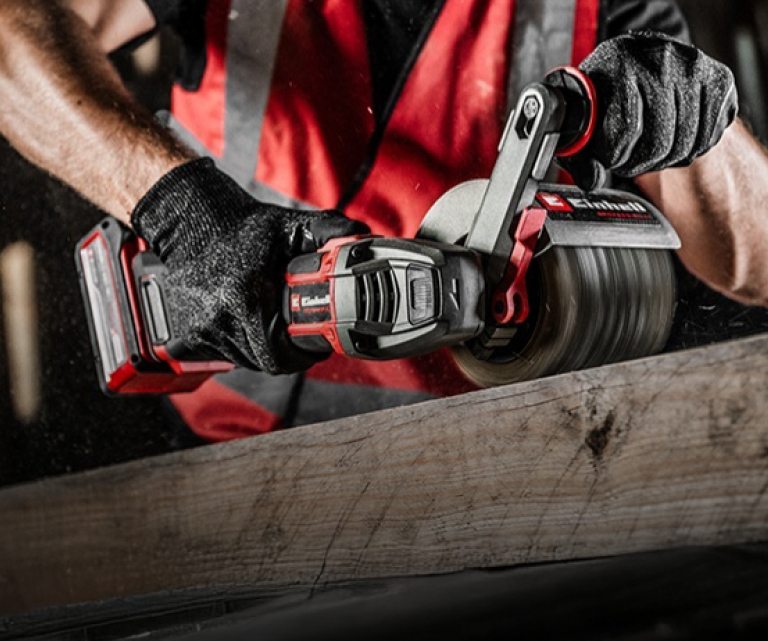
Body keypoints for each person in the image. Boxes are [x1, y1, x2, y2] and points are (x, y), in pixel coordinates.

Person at [0, 0, 765, 441]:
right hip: (225, 465)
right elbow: (13, 35)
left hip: (493, 473)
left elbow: (750, 260)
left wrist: (697, 123)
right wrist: (175, 206)